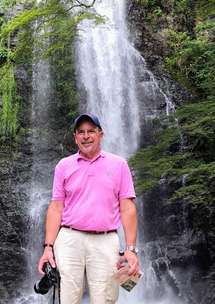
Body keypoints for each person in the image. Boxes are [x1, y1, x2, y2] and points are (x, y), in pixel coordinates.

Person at [38, 113, 140, 304]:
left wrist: (131, 249)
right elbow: (55, 208)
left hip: (106, 239)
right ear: (75, 138)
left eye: (91, 131)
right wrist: (48, 248)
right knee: (68, 295)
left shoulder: (119, 165)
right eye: (81, 132)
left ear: (100, 135)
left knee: (105, 297)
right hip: (69, 238)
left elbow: (127, 209)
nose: (86, 136)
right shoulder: (63, 166)